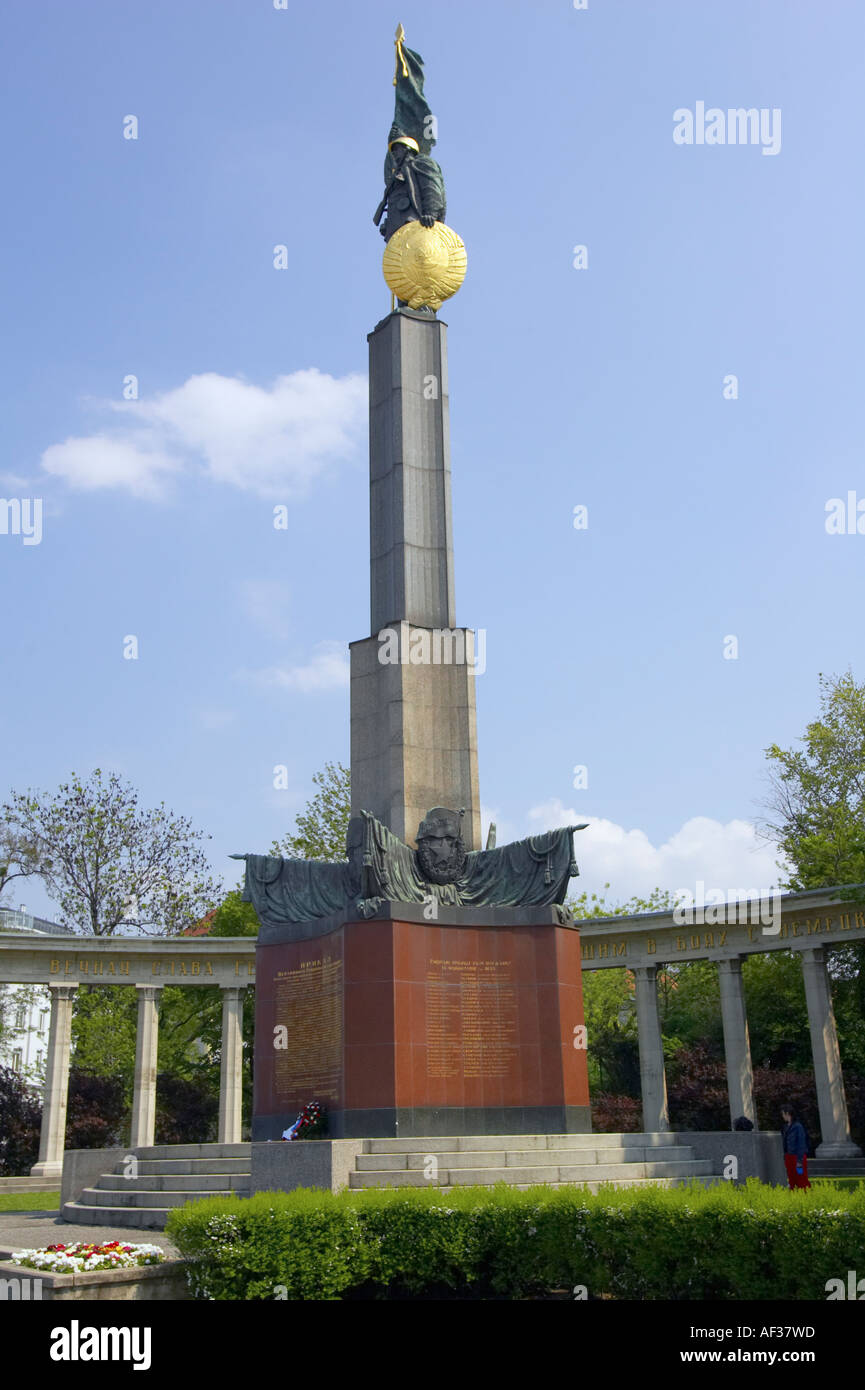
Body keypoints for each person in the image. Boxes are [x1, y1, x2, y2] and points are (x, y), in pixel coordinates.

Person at [780, 1105, 811, 1189]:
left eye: (783, 1114)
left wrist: (799, 1160)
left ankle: (806, 1196)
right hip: (788, 1157)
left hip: (798, 1158)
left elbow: (801, 1143)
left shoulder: (798, 1126)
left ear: (788, 1113)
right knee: (791, 1179)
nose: (782, 1116)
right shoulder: (785, 1127)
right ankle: (794, 1197)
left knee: (801, 1177)